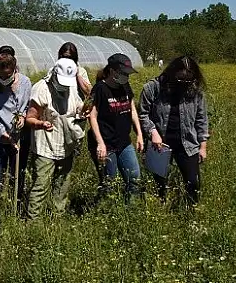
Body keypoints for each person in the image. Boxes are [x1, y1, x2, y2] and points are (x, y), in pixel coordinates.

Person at [139, 56, 209, 205]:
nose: (184, 84)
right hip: (160, 144)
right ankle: (160, 207)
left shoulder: (196, 91)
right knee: (159, 183)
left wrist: (203, 146)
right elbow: (142, 114)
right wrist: (152, 132)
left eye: (188, 81)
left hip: (187, 144)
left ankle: (189, 213)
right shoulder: (153, 87)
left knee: (193, 183)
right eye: (180, 80)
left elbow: (201, 119)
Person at [25, 59, 85, 219]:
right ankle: (34, 221)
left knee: (62, 185)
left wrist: (81, 112)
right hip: (45, 146)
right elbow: (29, 118)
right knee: (41, 185)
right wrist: (41, 123)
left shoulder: (71, 87)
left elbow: (77, 105)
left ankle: (57, 218)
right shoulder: (41, 88)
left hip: (66, 144)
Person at [88, 54, 143, 201]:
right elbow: (92, 116)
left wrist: (139, 134)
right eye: (123, 73)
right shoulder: (100, 89)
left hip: (124, 142)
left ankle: (131, 211)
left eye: (127, 73)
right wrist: (100, 143)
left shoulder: (125, 86)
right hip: (106, 144)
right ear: (112, 71)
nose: (126, 76)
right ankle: (103, 211)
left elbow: (132, 108)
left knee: (134, 179)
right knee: (109, 183)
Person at [0, 52, 31, 206]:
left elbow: (29, 105)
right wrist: (2, 134)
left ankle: (16, 205)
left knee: (18, 175)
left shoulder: (25, 82)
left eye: (7, 75)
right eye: (0, 75)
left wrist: (23, 117)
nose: (4, 78)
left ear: (14, 69)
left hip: (20, 138)